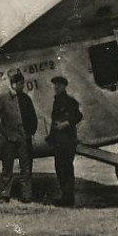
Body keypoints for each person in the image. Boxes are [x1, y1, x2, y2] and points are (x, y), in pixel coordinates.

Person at [0, 70, 38, 204]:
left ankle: (26, 196)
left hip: (23, 137)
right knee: (7, 167)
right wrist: (4, 133)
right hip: (9, 139)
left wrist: (30, 132)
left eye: (23, 83)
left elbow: (33, 117)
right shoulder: (3, 99)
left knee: (26, 167)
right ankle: (5, 194)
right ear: (14, 84)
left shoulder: (25, 99)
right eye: (20, 83)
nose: (23, 86)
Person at [47, 76, 83, 207]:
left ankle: (68, 199)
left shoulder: (69, 101)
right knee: (60, 169)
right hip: (59, 141)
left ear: (64, 86)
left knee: (66, 169)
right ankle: (65, 197)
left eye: (58, 85)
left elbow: (78, 116)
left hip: (67, 141)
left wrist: (66, 123)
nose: (56, 87)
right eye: (55, 85)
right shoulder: (57, 101)